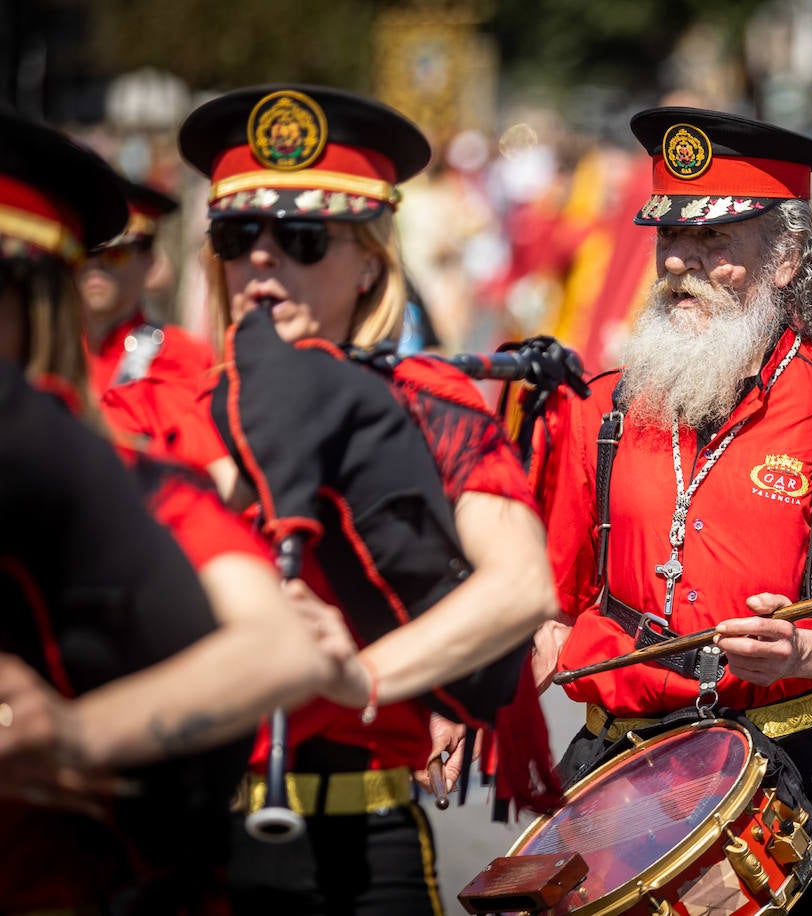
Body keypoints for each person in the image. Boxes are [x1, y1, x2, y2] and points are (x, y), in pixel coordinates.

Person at [534, 106, 812, 916]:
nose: (682, 266)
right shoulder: (597, 410)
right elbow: (548, 607)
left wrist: (805, 649)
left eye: (716, 246)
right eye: (671, 242)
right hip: (612, 770)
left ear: (782, 265)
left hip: (774, 776)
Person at [167, 83, 561, 915]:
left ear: (370, 265)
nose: (264, 259)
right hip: (184, 831)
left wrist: (366, 677)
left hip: (364, 837)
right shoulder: (160, 413)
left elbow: (522, 586)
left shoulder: (431, 408)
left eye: (304, 237)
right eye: (240, 236)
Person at [0, 106, 365, 914]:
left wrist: (73, 734)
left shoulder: (147, 466)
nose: (263, 264)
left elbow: (277, 648)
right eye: (238, 239)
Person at [79, 176, 215, 396]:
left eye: (115, 253)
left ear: (148, 260)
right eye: (86, 253)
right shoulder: (46, 353)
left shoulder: (188, 362)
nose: (95, 267)